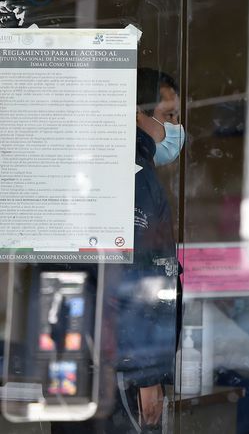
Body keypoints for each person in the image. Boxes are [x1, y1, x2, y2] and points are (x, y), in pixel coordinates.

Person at [52, 68, 183, 432]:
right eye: (169, 115)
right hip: (118, 373)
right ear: (137, 114)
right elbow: (132, 280)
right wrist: (147, 376)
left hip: (91, 362)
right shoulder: (132, 174)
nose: (175, 128)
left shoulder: (98, 166)